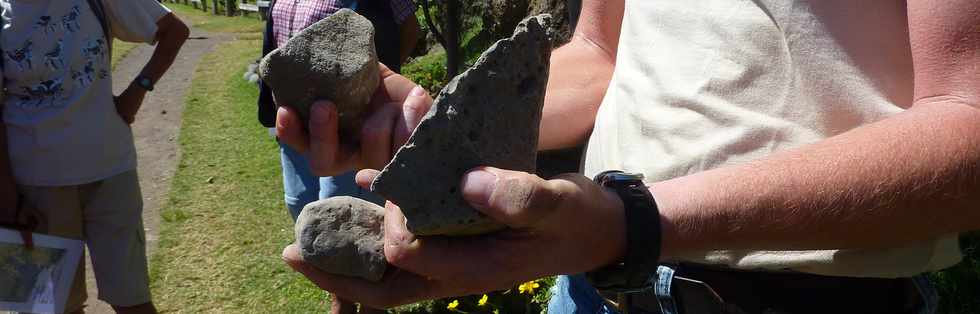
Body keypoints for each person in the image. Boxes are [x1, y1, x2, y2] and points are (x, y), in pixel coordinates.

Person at [277, 0, 980, 313]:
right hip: (588, 286)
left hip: (803, 300)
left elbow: (966, 124)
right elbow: (601, 55)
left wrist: (634, 222)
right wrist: (442, 127)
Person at [0, 0, 188, 313]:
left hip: (111, 173)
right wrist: (7, 201)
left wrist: (136, 93)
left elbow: (174, 31)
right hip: (33, 189)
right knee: (48, 308)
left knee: (133, 301)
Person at [256, 1, 419, 313]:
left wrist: (371, 78)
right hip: (294, 124)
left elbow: (410, 28)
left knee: (350, 214)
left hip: (348, 127)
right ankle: (340, 292)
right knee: (301, 206)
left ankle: (365, 301)